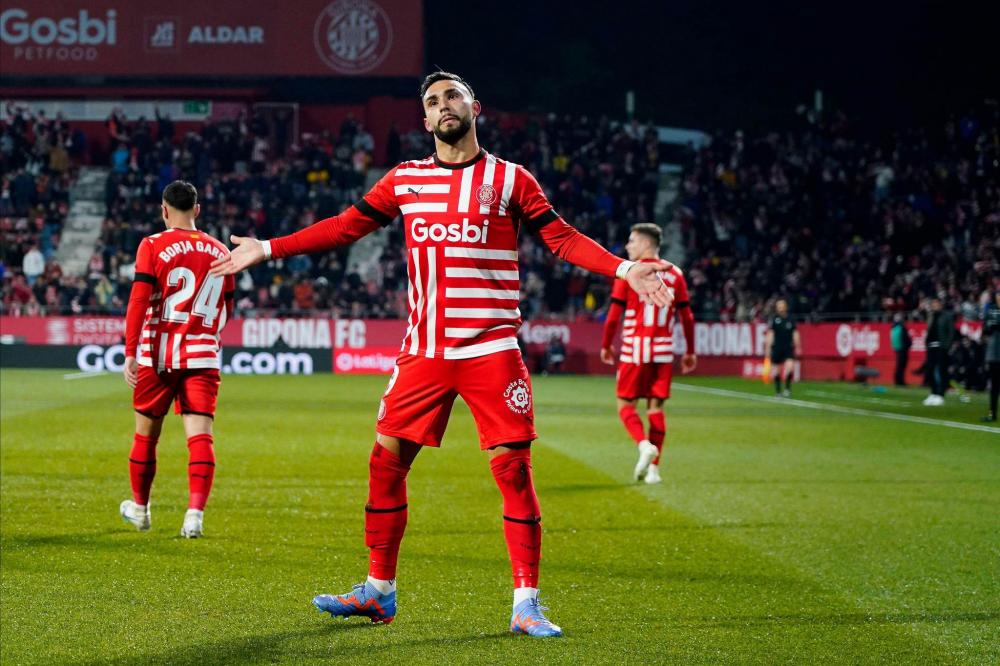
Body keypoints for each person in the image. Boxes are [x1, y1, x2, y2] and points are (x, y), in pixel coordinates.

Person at [210, 71, 673, 637]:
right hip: (424, 350)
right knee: (385, 464)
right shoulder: (405, 180)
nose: (443, 105)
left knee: (513, 471)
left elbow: (562, 238)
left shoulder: (511, 179)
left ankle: (526, 603)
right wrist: (268, 248)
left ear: (475, 107)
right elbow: (346, 227)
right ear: (425, 119)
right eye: (432, 101)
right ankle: (378, 591)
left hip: (491, 350)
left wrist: (624, 268)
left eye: (452, 95)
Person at [119, 181, 235, 538]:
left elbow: (139, 301)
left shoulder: (152, 244)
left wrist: (130, 351)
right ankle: (194, 516)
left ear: (164, 209)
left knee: (146, 437)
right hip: (203, 356)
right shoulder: (221, 250)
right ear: (197, 209)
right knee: (200, 438)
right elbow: (226, 310)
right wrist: (205, 335)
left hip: (159, 355)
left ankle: (140, 510)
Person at [600, 223, 696, 484]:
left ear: (645, 243)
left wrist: (606, 345)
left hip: (634, 348)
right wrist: (690, 350)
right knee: (656, 408)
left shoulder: (630, 272)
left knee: (625, 405)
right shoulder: (675, 273)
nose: (628, 246)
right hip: (663, 350)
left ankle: (644, 445)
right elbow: (687, 316)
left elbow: (613, 316)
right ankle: (654, 470)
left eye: (632, 241)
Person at [764, 298, 800, 397]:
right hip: (777, 348)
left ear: (785, 307)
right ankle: (778, 391)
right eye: (778, 306)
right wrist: (768, 347)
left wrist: (798, 346)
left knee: (790, 367)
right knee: (776, 370)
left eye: (782, 305)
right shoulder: (774, 319)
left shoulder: (791, 319)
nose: (780, 307)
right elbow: (770, 334)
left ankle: (787, 389)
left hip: (788, 347)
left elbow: (795, 333)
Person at [923, 296, 955, 407]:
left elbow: (951, 332)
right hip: (931, 346)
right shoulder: (931, 316)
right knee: (929, 371)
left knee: (942, 371)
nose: (935, 305)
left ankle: (940, 395)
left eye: (936, 303)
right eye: (933, 304)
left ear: (941, 304)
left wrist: (947, 346)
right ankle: (933, 393)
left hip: (941, 347)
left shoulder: (947, 316)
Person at [983, 291, 1000, 422]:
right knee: (994, 385)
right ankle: (992, 413)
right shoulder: (991, 310)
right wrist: (988, 328)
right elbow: (985, 329)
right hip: (994, 353)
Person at [891, 313, 912, 386]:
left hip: (897, 349)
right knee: (901, 366)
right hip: (903, 349)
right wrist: (909, 345)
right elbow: (906, 339)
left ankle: (897, 381)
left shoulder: (894, 328)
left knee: (899, 366)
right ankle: (900, 381)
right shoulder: (902, 328)